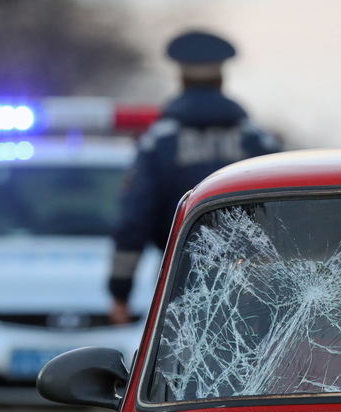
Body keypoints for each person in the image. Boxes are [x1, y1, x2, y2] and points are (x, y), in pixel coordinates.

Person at [108, 30, 282, 324]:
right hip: (256, 290)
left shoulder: (158, 143)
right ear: (221, 80)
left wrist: (120, 293)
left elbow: (133, 222)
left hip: (180, 282)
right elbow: (285, 214)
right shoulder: (258, 142)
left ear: (183, 80)